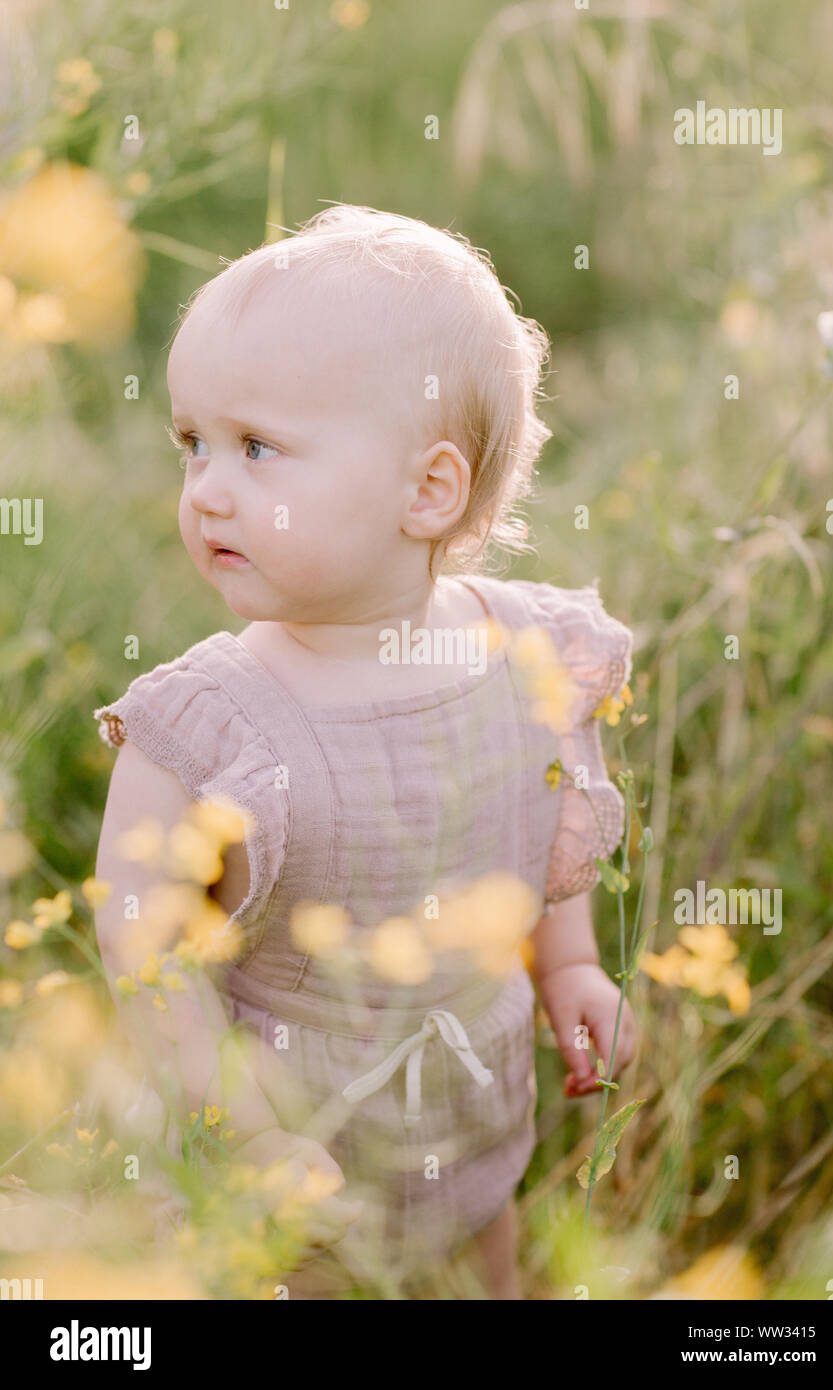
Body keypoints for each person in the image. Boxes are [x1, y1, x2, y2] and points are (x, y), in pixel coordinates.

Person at [92, 204, 637, 1300]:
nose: (206, 487)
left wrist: (568, 961)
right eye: (191, 442)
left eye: (256, 447)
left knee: (486, 1271)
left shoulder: (526, 654)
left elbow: (542, 825)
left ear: (426, 489)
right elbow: (142, 945)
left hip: (473, 1127)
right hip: (291, 1163)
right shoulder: (203, 722)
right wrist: (241, 1132)